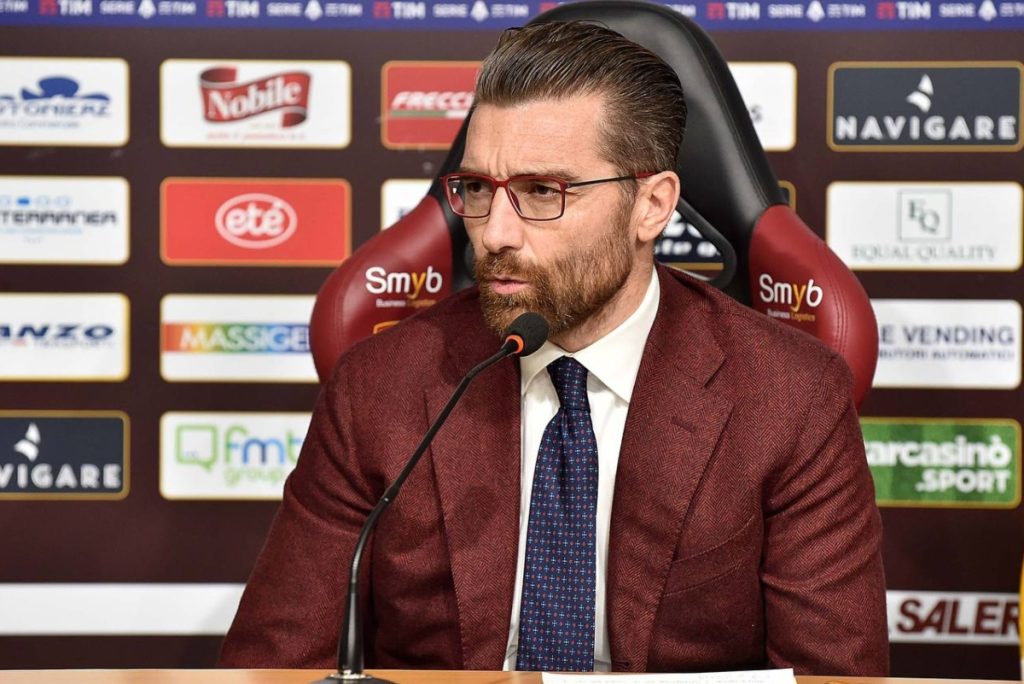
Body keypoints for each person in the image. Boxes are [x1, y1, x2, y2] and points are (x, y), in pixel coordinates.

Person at [219, 20, 889, 675]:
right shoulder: (379, 386)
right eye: (477, 189)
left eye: (542, 192)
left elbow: (832, 678)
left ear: (652, 206)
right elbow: (275, 664)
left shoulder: (791, 397)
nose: (494, 234)